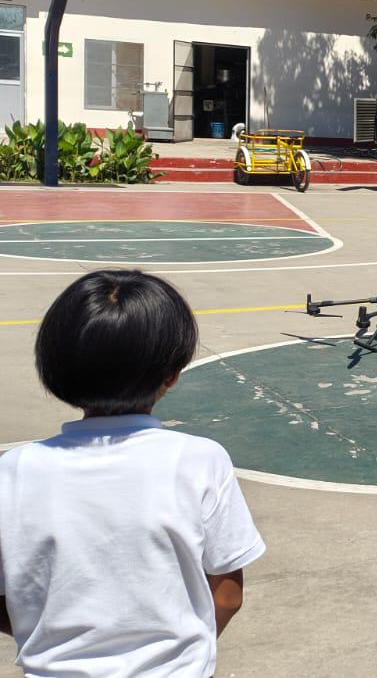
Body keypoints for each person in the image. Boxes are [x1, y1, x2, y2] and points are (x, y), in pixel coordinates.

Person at [0, 271, 266, 677]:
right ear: (172, 375)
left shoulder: (13, 471)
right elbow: (227, 595)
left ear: (55, 369)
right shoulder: (200, 460)